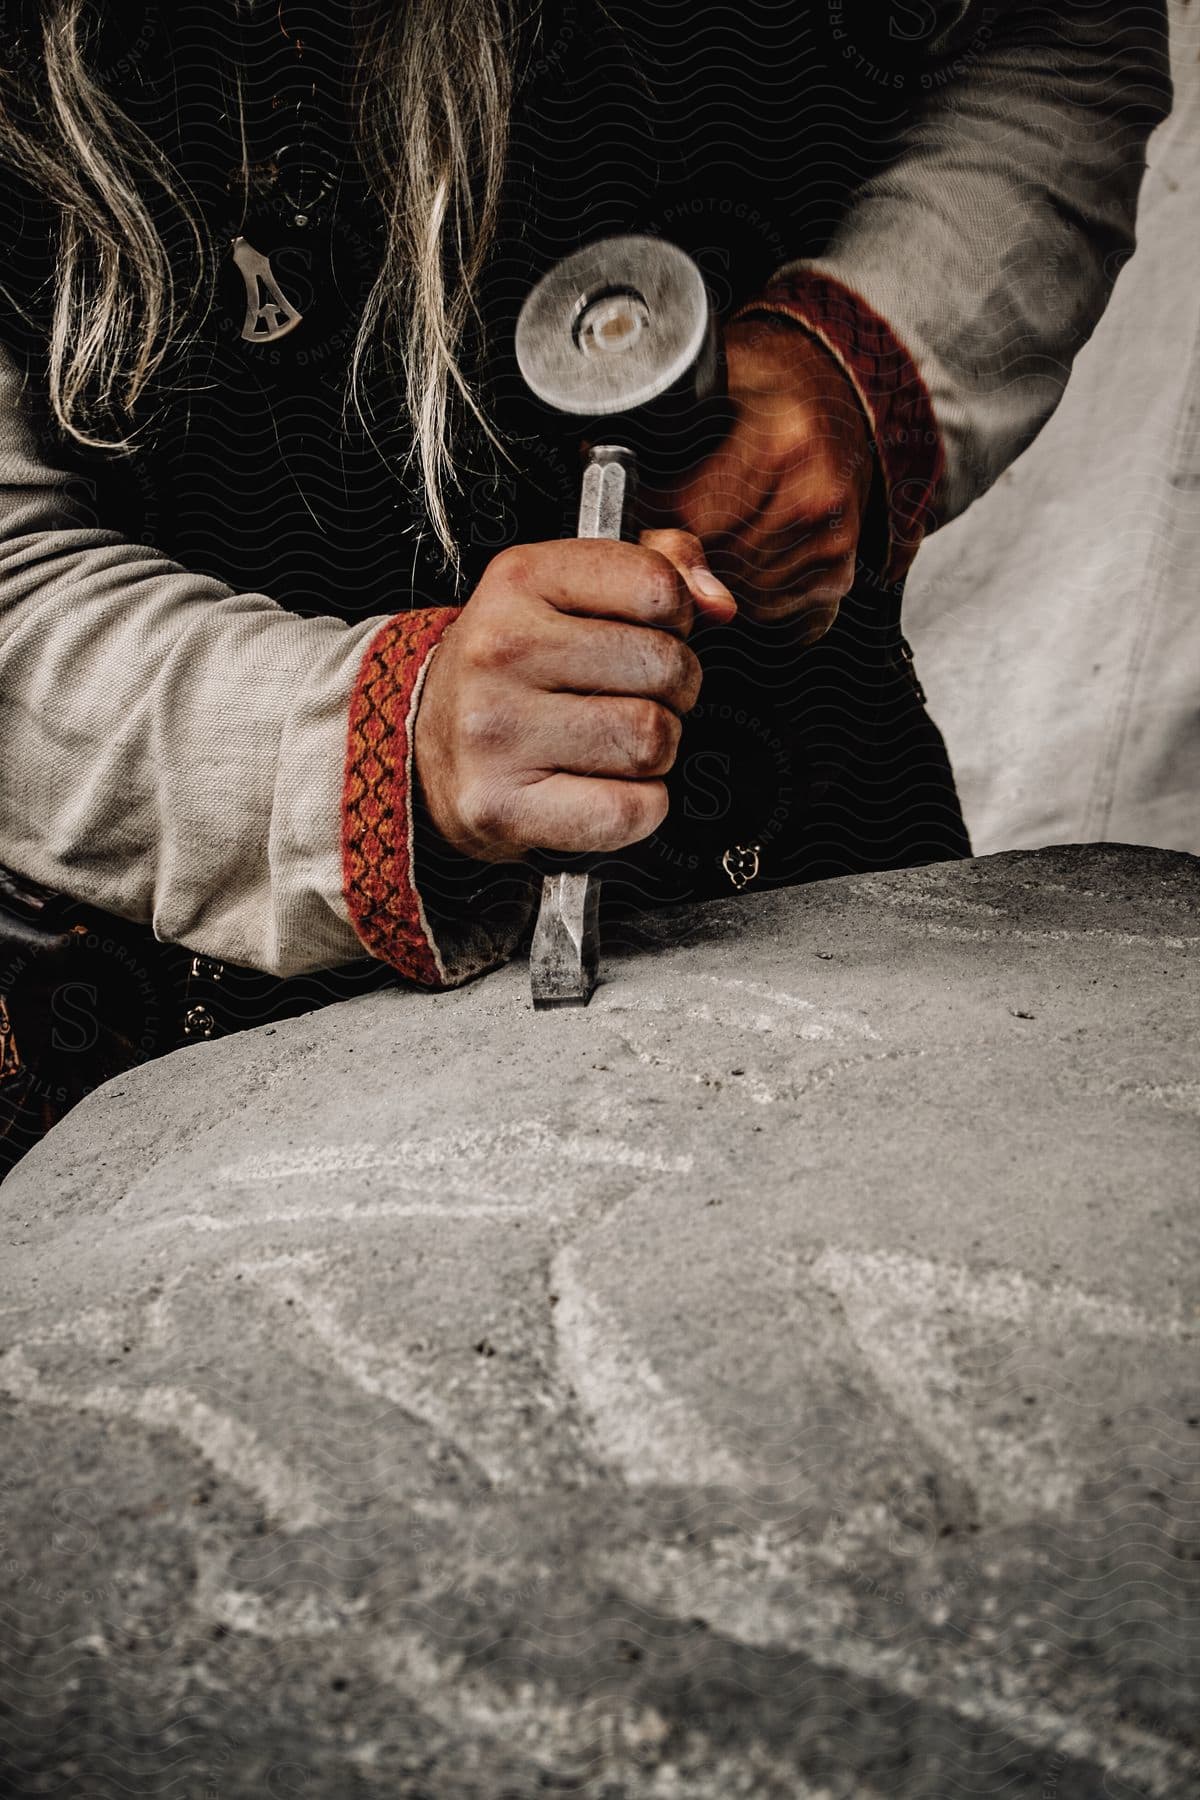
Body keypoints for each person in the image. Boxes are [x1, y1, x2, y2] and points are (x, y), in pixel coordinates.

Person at [0, 0, 1171, 1167]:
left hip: (806, 822)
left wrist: (857, 365)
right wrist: (394, 743)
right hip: (182, 989)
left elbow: (1059, 33)